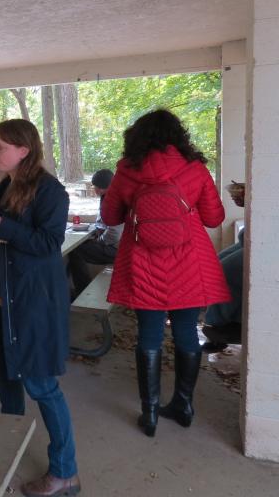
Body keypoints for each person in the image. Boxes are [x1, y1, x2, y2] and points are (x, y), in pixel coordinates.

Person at [0, 119, 80, 497]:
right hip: (0, 302)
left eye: (0, 147)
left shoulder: (51, 192)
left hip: (31, 305)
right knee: (7, 380)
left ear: (23, 150)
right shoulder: (6, 185)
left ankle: (65, 472)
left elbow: (47, 244)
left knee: (43, 387)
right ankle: (9, 452)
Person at [101, 109, 229, 438]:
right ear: (178, 136)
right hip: (189, 262)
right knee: (187, 331)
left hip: (143, 262)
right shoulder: (196, 170)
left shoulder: (127, 171)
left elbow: (111, 216)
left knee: (149, 335)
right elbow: (214, 219)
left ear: (138, 137)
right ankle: (184, 405)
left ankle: (151, 412)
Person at [66, 169, 123, 298]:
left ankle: (81, 290)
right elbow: (104, 222)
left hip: (117, 250)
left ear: (102, 187)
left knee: (75, 250)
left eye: (96, 187)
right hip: (115, 246)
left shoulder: (115, 201)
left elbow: (114, 233)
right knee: (80, 248)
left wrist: (99, 241)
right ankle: (76, 288)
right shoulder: (109, 196)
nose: (94, 190)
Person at [202, 182, 245, 350]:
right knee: (216, 264)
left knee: (226, 271)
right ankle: (221, 323)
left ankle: (217, 326)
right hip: (253, 236)